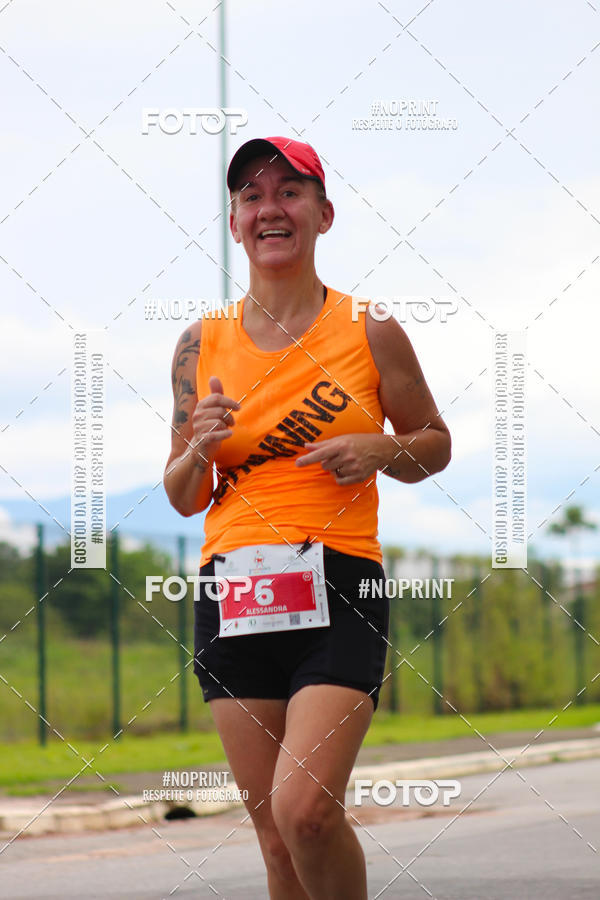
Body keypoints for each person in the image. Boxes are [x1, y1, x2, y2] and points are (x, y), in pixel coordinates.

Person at [164, 136, 451, 899]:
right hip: (234, 591)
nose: (270, 209)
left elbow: (435, 446)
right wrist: (199, 448)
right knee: (275, 838)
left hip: (339, 584)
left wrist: (380, 449)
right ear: (234, 224)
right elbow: (183, 493)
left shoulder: (371, 327)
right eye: (252, 197)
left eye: (289, 192)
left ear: (323, 214)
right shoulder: (200, 343)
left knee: (307, 811)